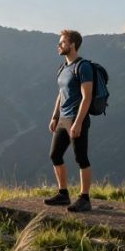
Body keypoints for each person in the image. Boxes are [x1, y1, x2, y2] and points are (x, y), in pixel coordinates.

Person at [44, 29, 93, 212]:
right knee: (55, 155)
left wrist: (78, 122)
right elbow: (61, 94)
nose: (59, 45)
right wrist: (55, 116)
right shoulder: (62, 68)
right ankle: (63, 194)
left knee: (81, 158)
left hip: (76, 117)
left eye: (62, 42)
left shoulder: (83, 67)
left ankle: (84, 198)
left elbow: (86, 97)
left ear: (72, 44)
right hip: (63, 118)